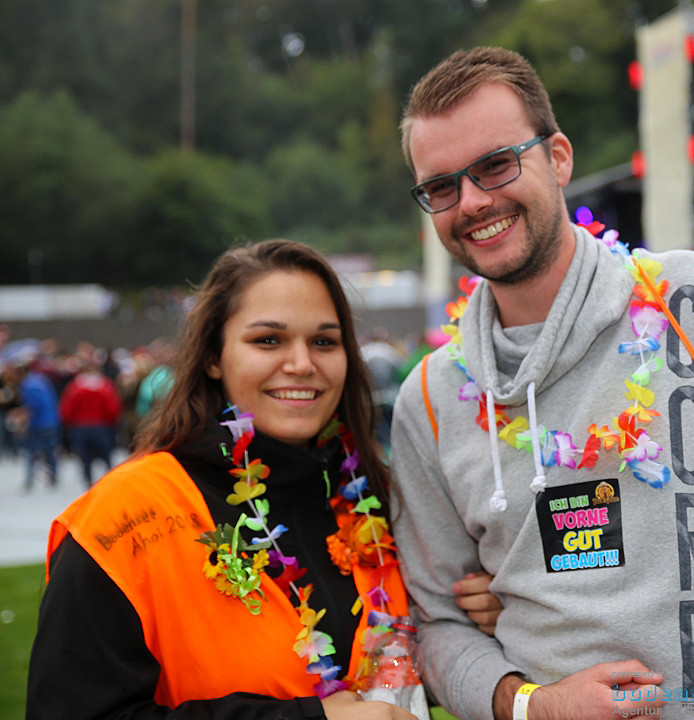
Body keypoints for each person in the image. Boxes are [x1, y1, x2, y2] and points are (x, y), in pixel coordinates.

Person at [389, 47, 694, 720]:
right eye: (441, 186)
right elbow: (437, 624)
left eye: (496, 165)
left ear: (558, 158)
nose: (472, 201)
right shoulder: (430, 400)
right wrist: (530, 705)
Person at [27, 239, 501, 720]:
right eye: (268, 340)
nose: (302, 364)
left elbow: (404, 661)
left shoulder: (373, 497)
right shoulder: (123, 517)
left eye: (324, 341)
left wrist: (481, 615)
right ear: (214, 355)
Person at [58, 354, 124, 487]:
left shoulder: (75, 386)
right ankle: (110, 482)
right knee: (106, 456)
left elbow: (66, 409)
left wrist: (70, 424)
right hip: (101, 426)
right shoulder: (105, 385)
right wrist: (112, 424)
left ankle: (88, 482)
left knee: (85, 457)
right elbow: (113, 407)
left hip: (81, 427)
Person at [10, 353, 61, 491]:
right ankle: (54, 477)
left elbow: (32, 406)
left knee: (32, 452)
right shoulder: (42, 379)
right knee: (50, 452)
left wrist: (19, 418)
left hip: (39, 423)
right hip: (51, 421)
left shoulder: (27, 384)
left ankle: (29, 480)